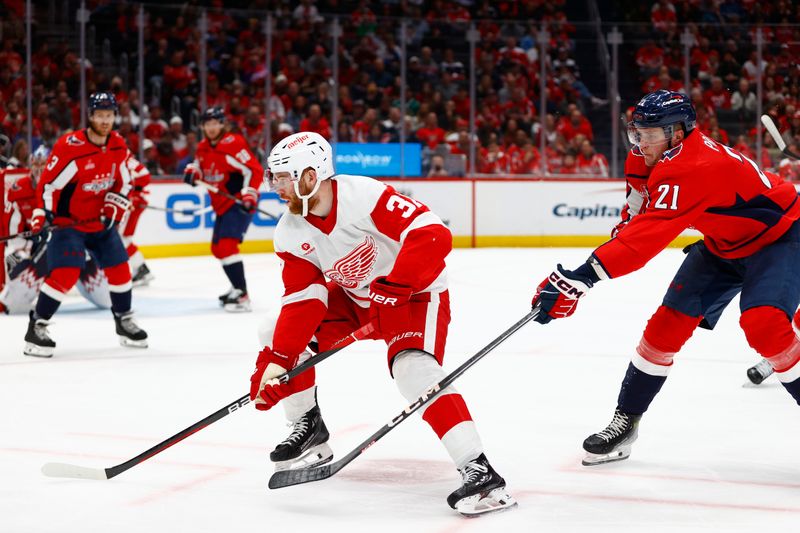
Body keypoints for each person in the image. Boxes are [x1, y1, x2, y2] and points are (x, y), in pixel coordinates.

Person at [249, 132, 515, 516]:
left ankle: (479, 470)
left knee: (413, 370)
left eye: (283, 178)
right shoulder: (290, 231)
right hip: (359, 301)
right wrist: (277, 364)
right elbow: (304, 301)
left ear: (310, 176)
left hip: (416, 294)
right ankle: (308, 426)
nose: (275, 187)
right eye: (273, 178)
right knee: (274, 331)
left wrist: (395, 287)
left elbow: (433, 235)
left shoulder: (363, 196)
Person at [529, 90, 800, 465]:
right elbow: (635, 220)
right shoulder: (646, 156)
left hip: (780, 238)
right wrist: (587, 272)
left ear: (677, 133)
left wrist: (583, 276)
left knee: (764, 324)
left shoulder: (693, 165)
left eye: (650, 133)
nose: (640, 142)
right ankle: (626, 423)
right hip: (723, 245)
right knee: (663, 330)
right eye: (636, 132)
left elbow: (647, 239)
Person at [23, 91, 148, 357]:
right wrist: (42, 213)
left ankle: (124, 320)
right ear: (90, 116)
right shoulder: (70, 146)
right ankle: (38, 326)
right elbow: (49, 184)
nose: (105, 121)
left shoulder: (117, 144)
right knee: (65, 273)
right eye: (100, 115)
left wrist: (115, 202)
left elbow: (125, 181)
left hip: (99, 223)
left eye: (109, 115)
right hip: (69, 224)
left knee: (121, 269)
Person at [1, 146, 111, 314]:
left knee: (108, 300)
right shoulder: (18, 190)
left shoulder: (68, 186)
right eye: (36, 163)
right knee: (12, 305)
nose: (39, 168)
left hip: (73, 253)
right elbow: (13, 237)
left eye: (44, 163)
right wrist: (33, 247)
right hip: (36, 257)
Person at [183, 107, 264, 312]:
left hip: (238, 203)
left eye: (215, 123)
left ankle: (242, 294)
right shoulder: (202, 147)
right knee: (217, 248)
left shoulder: (233, 143)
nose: (211, 128)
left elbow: (254, 169)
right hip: (220, 204)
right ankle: (236, 287)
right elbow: (198, 165)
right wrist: (193, 172)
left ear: (222, 124)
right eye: (207, 124)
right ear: (202, 126)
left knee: (227, 247)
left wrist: (249, 194)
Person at [119, 155, 154, 286]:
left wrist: (134, 193)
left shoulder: (123, 155)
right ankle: (140, 269)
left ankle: (141, 269)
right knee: (122, 237)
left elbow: (144, 174)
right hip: (130, 202)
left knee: (122, 238)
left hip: (133, 203)